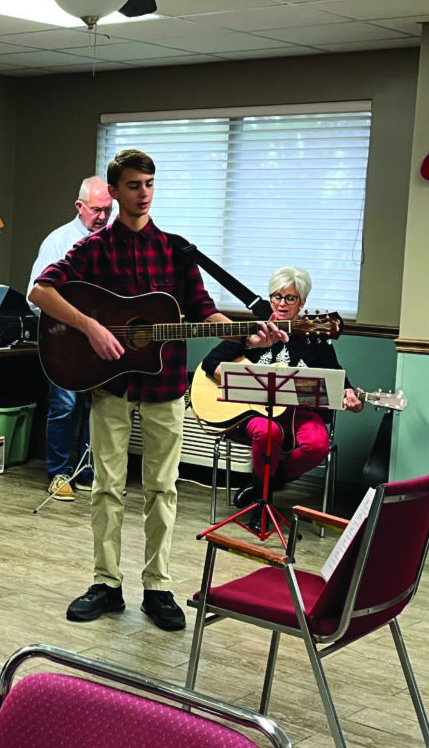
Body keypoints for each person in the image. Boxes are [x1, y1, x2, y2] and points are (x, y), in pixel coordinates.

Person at [28, 149, 282, 632]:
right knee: (107, 489)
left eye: (149, 184)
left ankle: (158, 586)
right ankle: (106, 582)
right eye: (133, 186)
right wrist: (93, 329)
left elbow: (206, 312)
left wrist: (247, 334)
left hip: (166, 387)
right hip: (112, 386)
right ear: (115, 190)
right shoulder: (94, 249)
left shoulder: (175, 250)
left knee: (163, 489)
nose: (142, 193)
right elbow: (42, 291)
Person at [200, 266, 363, 531]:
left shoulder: (315, 337)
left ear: (303, 302)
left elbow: (336, 376)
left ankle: (262, 488)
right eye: (276, 296)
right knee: (268, 432)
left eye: (290, 298)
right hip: (251, 412)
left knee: (318, 445)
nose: (282, 303)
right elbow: (210, 362)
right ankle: (264, 504)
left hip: (299, 412)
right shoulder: (254, 332)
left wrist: (350, 396)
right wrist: (230, 378)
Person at [26, 176, 113, 503]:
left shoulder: (114, 241)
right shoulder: (58, 242)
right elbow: (35, 298)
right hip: (64, 342)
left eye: (108, 209)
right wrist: (69, 327)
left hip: (101, 342)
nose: (102, 217)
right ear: (79, 207)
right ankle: (59, 473)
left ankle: (88, 471)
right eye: (96, 210)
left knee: (99, 406)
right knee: (64, 405)